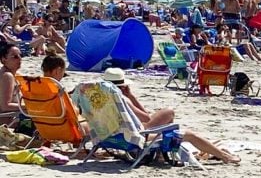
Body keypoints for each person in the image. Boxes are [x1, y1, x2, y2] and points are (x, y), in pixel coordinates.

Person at [100, 69, 240, 163]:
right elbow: (147, 118)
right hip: (134, 137)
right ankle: (225, 156)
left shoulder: (99, 100)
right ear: (122, 86)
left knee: (168, 113)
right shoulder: (121, 100)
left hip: (111, 136)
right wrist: (130, 95)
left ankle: (163, 153)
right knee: (189, 134)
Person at [1, 42, 24, 125]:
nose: (19, 59)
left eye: (21, 55)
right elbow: (5, 106)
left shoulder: (14, 74)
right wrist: (29, 107)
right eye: (15, 57)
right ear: (4, 59)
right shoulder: (7, 76)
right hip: (7, 124)